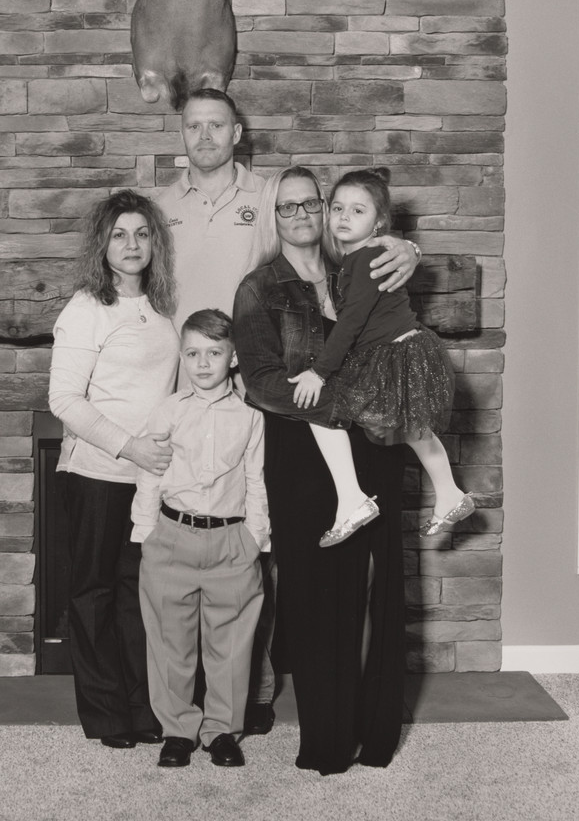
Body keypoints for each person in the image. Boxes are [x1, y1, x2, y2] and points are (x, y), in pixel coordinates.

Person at [156, 87, 421, 734]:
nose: (206, 136)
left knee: (280, 562)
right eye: (193, 125)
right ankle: (188, 708)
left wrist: (405, 249)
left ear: (238, 130)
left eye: (217, 124)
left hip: (301, 416)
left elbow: (353, 229)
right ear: (180, 132)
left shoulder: (271, 193)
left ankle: (265, 698)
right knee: (207, 550)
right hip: (213, 398)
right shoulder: (162, 206)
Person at [232, 165, 411, 774]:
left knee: (372, 589)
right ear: (274, 217)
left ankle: (375, 728)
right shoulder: (259, 288)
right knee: (314, 594)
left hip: (371, 446)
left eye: (313, 202)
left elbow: (393, 329)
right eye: (288, 206)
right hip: (305, 456)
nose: (303, 213)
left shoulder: (357, 265)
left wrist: (406, 247)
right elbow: (258, 382)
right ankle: (328, 739)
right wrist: (343, 402)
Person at [48, 189, 180, 748]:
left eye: (142, 234)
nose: (132, 245)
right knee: (94, 593)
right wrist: (131, 447)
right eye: (120, 234)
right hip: (97, 474)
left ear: (155, 243)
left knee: (135, 596)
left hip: (148, 479)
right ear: (102, 243)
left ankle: (141, 708)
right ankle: (106, 717)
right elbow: (65, 401)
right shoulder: (85, 309)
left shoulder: (158, 306)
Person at [290, 168, 474, 547]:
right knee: (416, 430)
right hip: (403, 350)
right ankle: (450, 492)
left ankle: (352, 498)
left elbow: (352, 322)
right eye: (338, 208)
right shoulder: (356, 258)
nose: (343, 217)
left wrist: (319, 372)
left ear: (380, 223)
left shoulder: (367, 259)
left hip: (394, 354)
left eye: (358, 211)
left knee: (320, 406)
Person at [131, 309, 268, 769]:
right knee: (171, 642)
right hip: (172, 537)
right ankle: (178, 731)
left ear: (233, 358)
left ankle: (222, 732)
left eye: (214, 352)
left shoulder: (251, 416)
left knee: (230, 644)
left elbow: (256, 478)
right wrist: (147, 532)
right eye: (192, 353)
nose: (203, 363)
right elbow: (150, 473)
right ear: (182, 358)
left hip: (231, 541)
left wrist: (255, 537)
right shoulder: (169, 409)